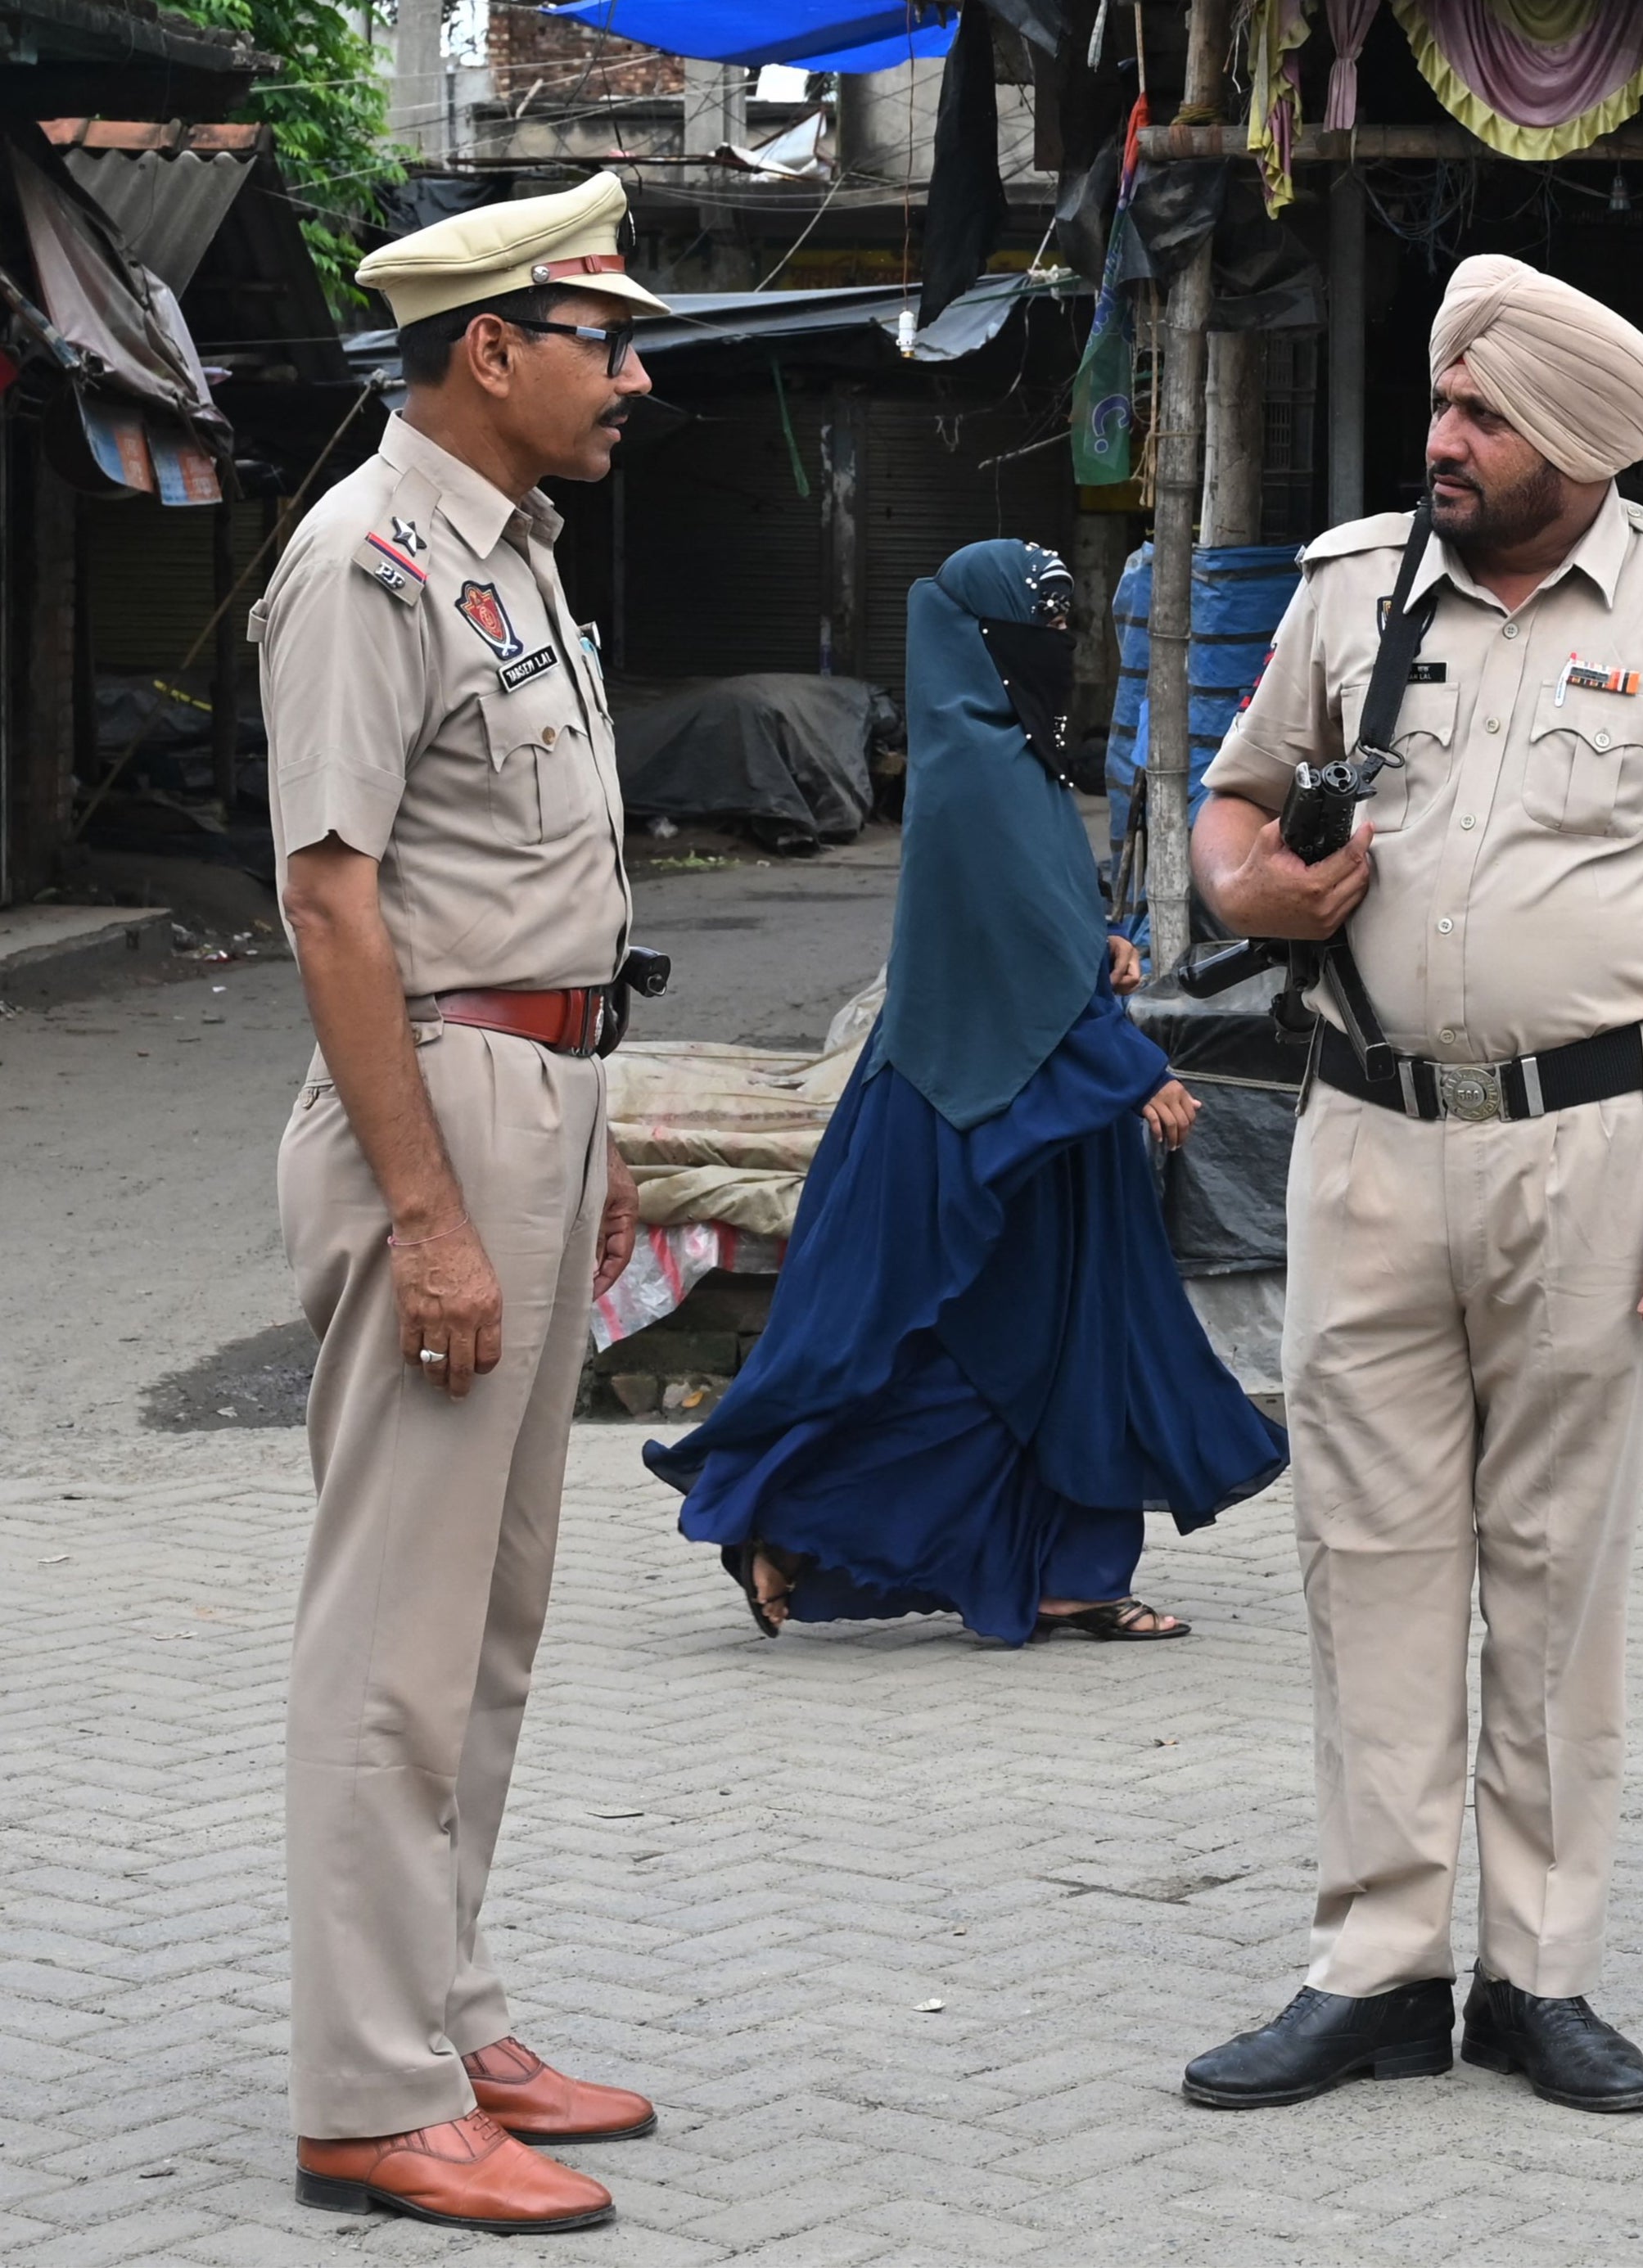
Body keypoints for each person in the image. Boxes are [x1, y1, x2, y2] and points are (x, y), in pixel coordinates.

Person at [1180, 255, 1643, 2116]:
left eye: (1482, 417)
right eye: (1443, 405)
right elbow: (1231, 808)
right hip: (1365, 1138)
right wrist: (1252, 893)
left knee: (1557, 1570)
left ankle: (1536, 1979)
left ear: (1584, 445)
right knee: (1365, 1558)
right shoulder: (1348, 589)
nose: (1442, 440)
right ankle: (1377, 1967)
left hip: (1597, 1148)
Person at [261, 174, 666, 2233]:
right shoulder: (368, 561)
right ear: (491, 349)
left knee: (487, 1621)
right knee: (396, 1634)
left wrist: (582, 1155)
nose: (636, 376)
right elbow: (330, 897)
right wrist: (431, 1212)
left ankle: (448, 2010)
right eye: (606, 340)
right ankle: (365, 2090)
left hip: (536, 1093)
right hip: (438, 1100)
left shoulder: (507, 554)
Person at [646, 540, 1286, 1644]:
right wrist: (1134, 1073)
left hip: (1035, 1108)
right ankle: (795, 1525)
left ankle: (1066, 1571)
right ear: (983, 644)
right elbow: (1020, 950)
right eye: (1039, 626)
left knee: (1059, 1343)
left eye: (1066, 623)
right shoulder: (980, 767)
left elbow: (1046, 922)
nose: (1060, 647)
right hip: (984, 1111)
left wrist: (1107, 950)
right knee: (977, 1354)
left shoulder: (1005, 755)